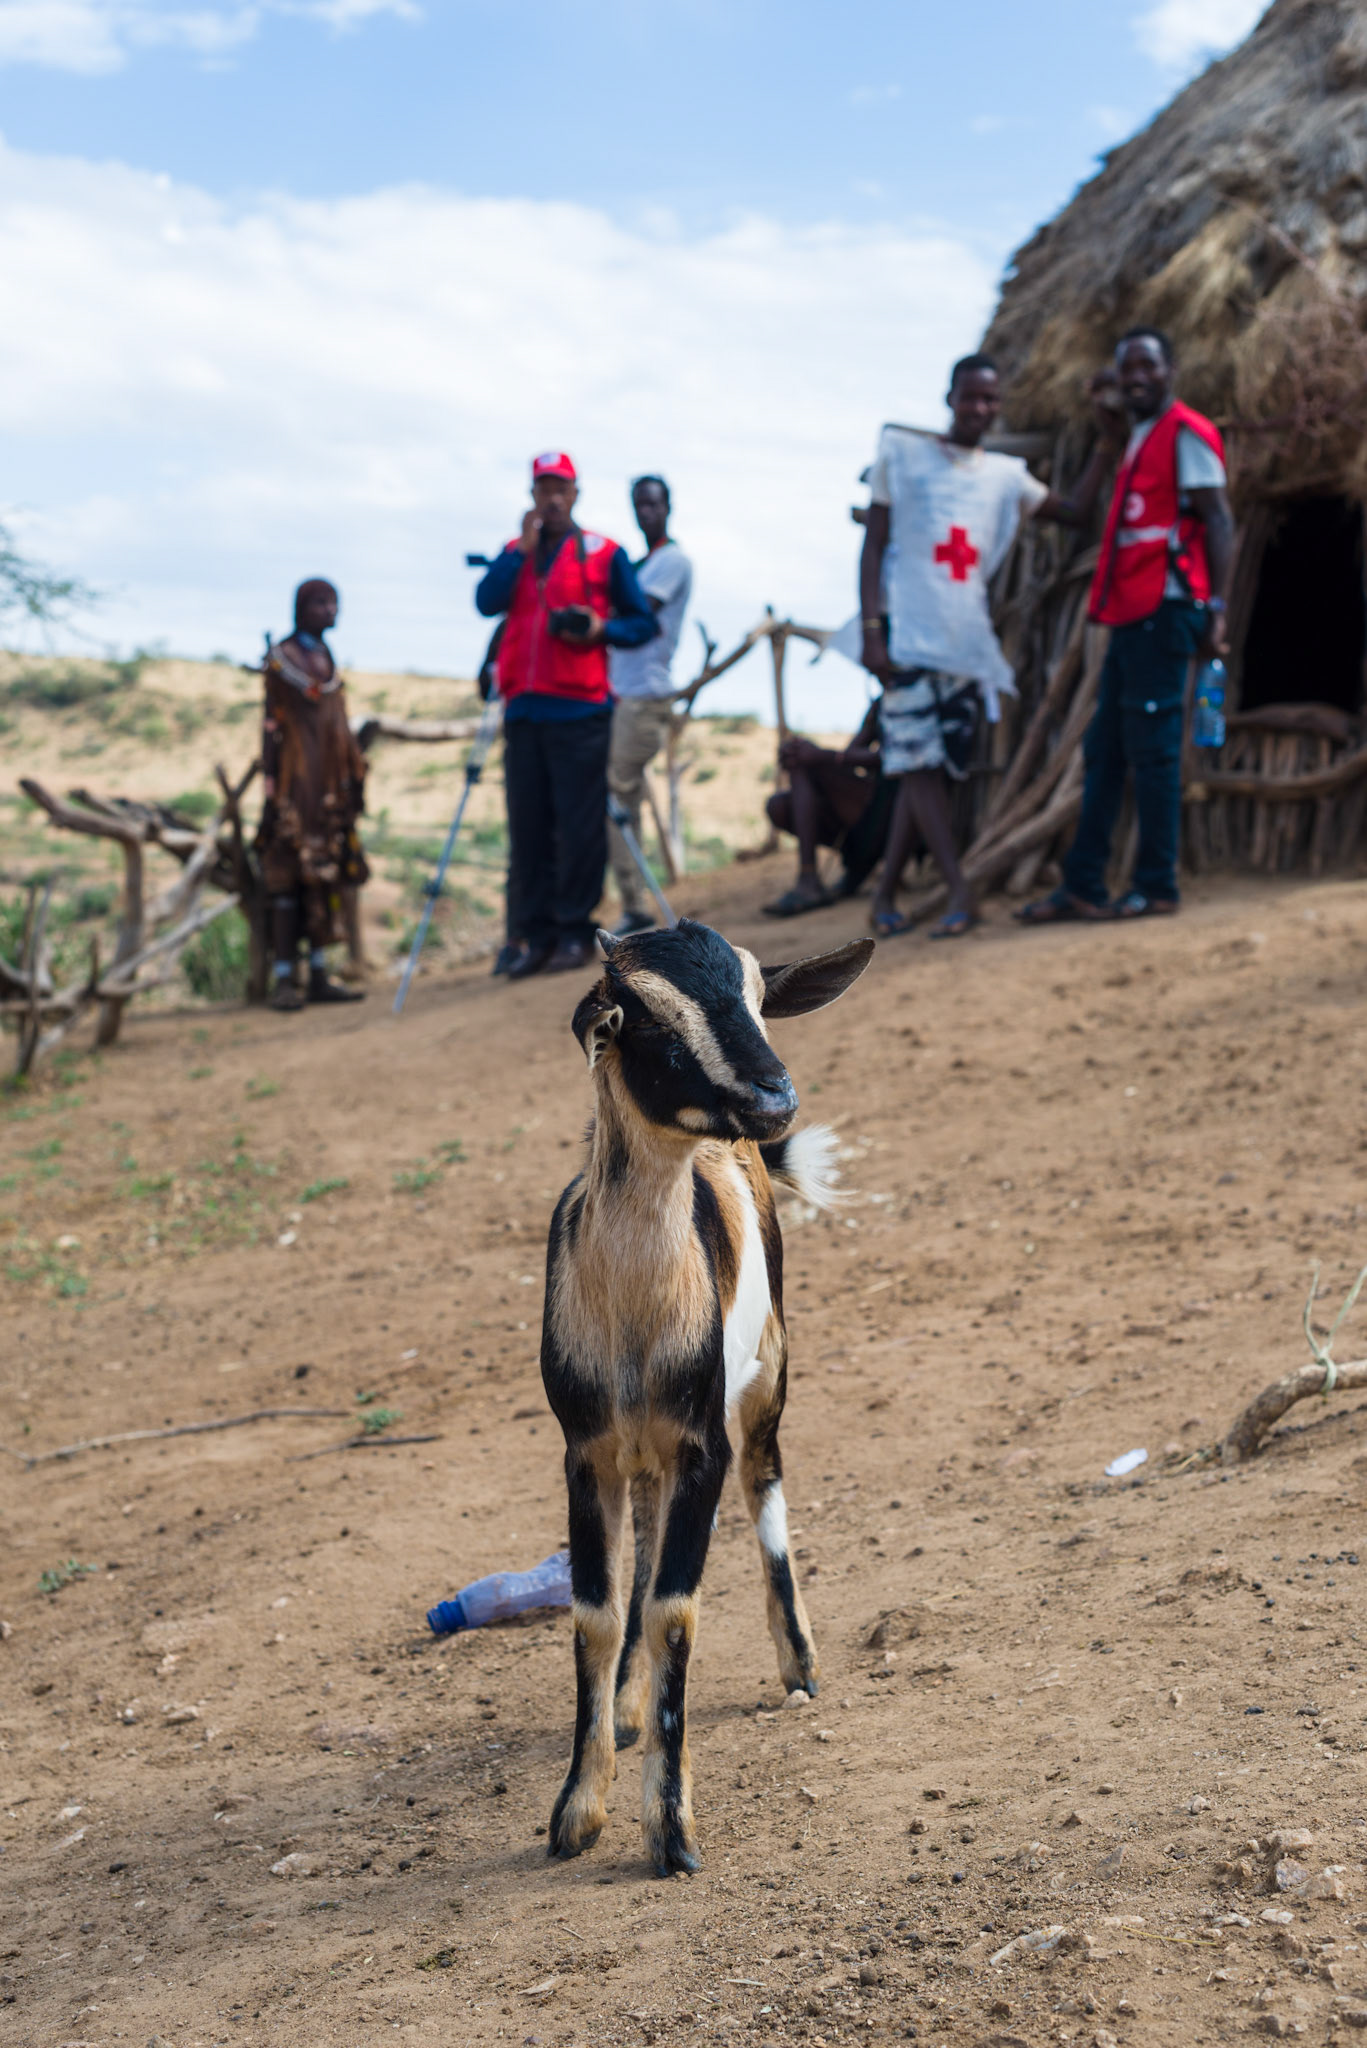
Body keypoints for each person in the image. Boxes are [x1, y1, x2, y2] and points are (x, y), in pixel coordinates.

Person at [858, 353, 1124, 938]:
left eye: (990, 399)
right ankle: (960, 889)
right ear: (949, 398)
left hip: (963, 642)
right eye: (969, 396)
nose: (980, 408)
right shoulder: (902, 457)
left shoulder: (1006, 475)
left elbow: (1075, 513)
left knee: (922, 768)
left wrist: (1106, 445)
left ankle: (882, 892)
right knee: (920, 766)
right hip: (905, 636)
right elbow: (873, 546)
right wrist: (873, 629)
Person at [1017, 328, 1234, 924]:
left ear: (1170, 371)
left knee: (1155, 752)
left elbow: (1218, 521)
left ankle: (1157, 885)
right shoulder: (1138, 436)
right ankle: (1083, 884)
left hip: (1166, 611)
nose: (1135, 377)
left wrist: (1218, 609)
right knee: (1105, 750)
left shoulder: (1185, 433)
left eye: (1147, 365)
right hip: (1131, 613)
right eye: (1125, 368)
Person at [475, 452, 659, 979]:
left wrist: (600, 629)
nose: (552, 499)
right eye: (543, 490)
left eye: (561, 490)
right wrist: (521, 553)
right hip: (524, 709)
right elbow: (487, 602)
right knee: (528, 828)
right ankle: (534, 935)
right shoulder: (516, 552)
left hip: (580, 709)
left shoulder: (604, 553)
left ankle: (575, 931)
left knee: (578, 826)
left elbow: (641, 623)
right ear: (532, 495)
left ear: (575, 493)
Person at [255, 577, 368, 1012]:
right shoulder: (283, 660)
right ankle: (285, 978)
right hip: (295, 784)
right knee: (288, 871)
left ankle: (319, 973)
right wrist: (273, 783)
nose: (331, 610)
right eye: (321, 602)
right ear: (301, 607)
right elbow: (272, 724)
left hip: (326, 788)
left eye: (334, 602)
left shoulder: (324, 658)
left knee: (326, 876)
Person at [605, 476, 693, 936]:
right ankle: (633, 900)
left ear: (668, 506)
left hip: (645, 694)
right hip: (626, 692)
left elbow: (638, 613)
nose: (646, 511)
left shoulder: (671, 561)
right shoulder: (643, 563)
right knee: (624, 795)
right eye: (639, 504)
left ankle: (636, 905)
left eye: (654, 503)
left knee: (619, 791)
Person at [761, 702, 893, 915]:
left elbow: (899, 759)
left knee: (804, 760)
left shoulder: (919, 690)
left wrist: (823, 756)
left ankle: (809, 880)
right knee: (778, 805)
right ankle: (811, 878)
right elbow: (852, 755)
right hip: (866, 813)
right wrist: (810, 753)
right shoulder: (882, 703)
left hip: (896, 808)